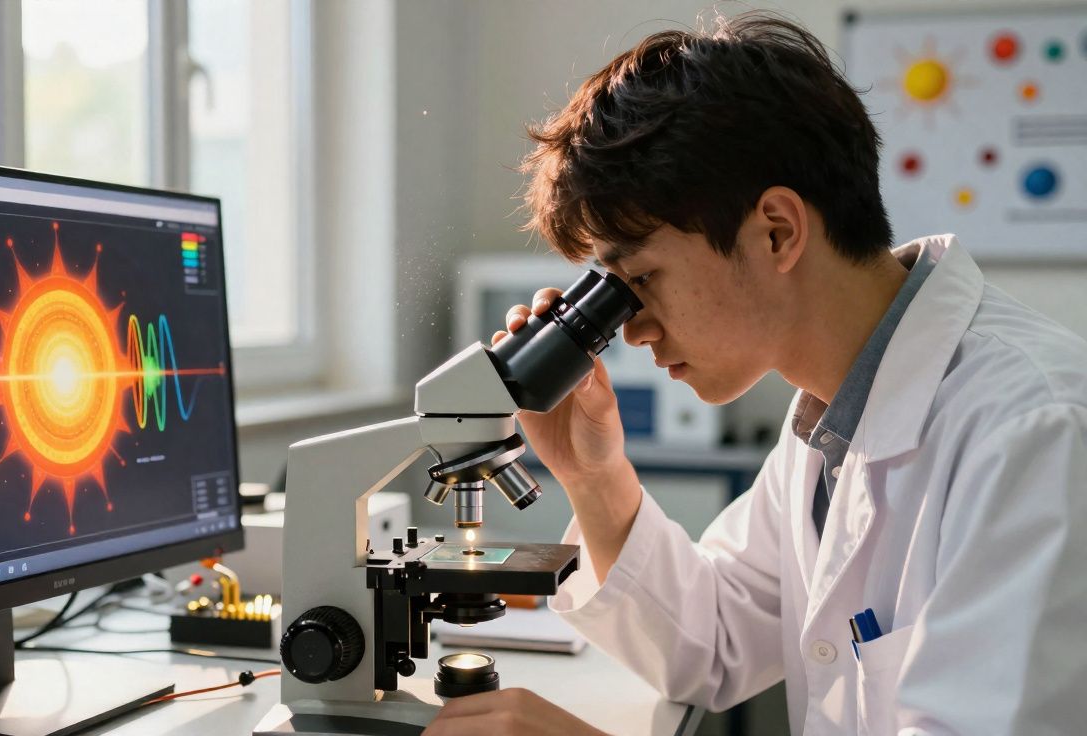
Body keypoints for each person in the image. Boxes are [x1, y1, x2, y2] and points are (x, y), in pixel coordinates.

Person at [422, 11, 1087, 736]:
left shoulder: (1032, 432)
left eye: (640, 278)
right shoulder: (834, 419)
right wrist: (593, 475)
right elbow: (713, 642)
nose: (632, 330)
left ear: (777, 231)